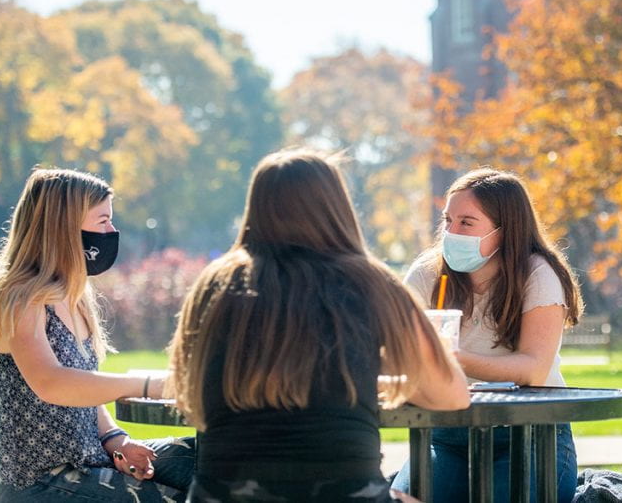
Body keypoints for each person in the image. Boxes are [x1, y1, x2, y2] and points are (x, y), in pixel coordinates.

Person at [166, 149, 470, 503]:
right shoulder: (372, 281)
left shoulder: (215, 284)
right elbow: (452, 395)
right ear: (336, 206)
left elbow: (188, 390)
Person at [0, 168, 195, 502]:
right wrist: (147, 385)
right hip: (38, 481)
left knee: (210, 459)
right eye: (102, 221)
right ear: (64, 226)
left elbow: (82, 389)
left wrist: (117, 442)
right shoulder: (20, 295)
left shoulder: (73, 294)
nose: (111, 231)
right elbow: (53, 384)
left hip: (89, 458)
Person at [392, 167, 584, 503]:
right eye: (447, 220)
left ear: (505, 229)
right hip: (445, 433)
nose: (451, 232)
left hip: (530, 433)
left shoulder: (538, 274)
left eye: (466, 223)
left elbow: (533, 370)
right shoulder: (427, 273)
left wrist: (450, 358)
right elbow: (396, 348)